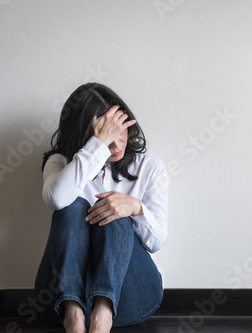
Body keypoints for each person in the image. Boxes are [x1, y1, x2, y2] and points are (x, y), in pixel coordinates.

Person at [34, 83, 168, 333]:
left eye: (121, 131)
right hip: (60, 297)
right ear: (86, 136)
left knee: (115, 211)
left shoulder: (150, 168)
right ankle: (73, 317)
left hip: (133, 295)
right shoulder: (60, 162)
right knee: (71, 204)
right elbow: (55, 200)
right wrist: (96, 146)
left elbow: (157, 242)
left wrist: (136, 208)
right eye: (108, 136)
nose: (117, 145)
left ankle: (102, 317)